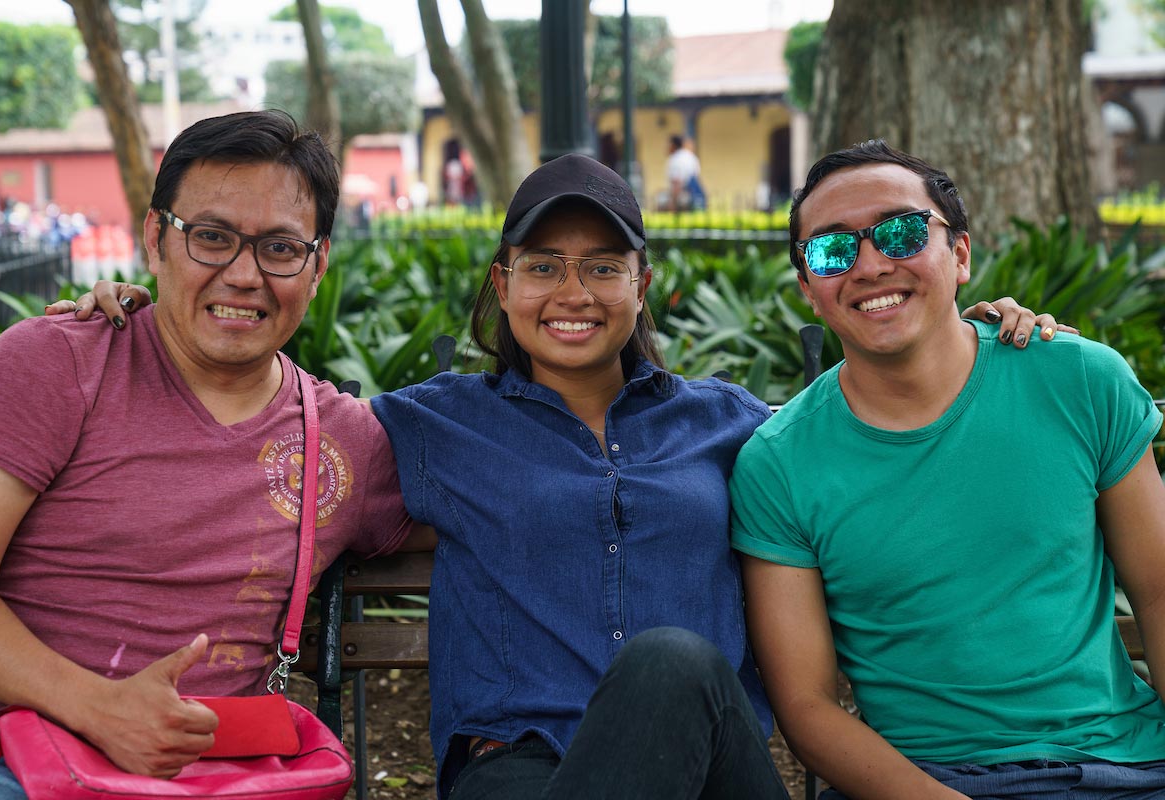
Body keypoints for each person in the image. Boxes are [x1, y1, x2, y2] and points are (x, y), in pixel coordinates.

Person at [63, 153, 1063, 800]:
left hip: (712, 768)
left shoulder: (733, 426)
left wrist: (975, 333)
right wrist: (139, 320)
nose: (571, 291)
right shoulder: (427, 426)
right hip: (519, 773)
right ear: (503, 284)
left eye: (601, 265)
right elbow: (264, 425)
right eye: (542, 264)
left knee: (674, 665)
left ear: (644, 283)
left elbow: (877, 426)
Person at [0, 110, 425, 799]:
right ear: (157, 237)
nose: (243, 275)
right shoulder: (59, 364)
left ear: (318, 263)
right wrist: (99, 707)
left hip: (224, 777)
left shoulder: (342, 440)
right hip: (9, 760)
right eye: (211, 238)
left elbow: (524, 512)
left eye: (279, 248)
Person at [730, 140, 1165, 800]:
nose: (870, 264)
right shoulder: (777, 463)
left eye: (901, 232)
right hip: (922, 784)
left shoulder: (1079, 381)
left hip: (1120, 769)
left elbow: (1159, 592)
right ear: (808, 288)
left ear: (959, 254)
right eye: (832, 249)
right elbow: (808, 707)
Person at [666, 134, 705, 212]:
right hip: (697, 196)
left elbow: (677, 182)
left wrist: (673, 204)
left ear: (673, 145)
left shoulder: (675, 159)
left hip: (684, 200)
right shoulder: (690, 156)